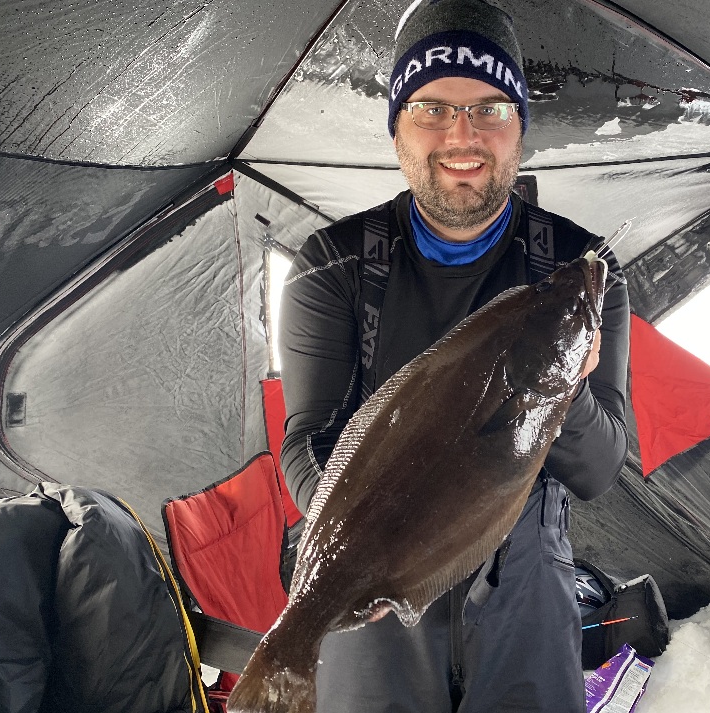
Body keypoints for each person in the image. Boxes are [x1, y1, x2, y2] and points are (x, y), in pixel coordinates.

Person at [278, 0, 630, 710]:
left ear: (521, 128)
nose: (462, 136)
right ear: (397, 128)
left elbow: (598, 468)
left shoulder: (578, 265)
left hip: (527, 591)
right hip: (371, 589)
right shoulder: (333, 265)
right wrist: (353, 559)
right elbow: (305, 440)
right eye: (431, 108)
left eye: (491, 109)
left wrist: (575, 384)